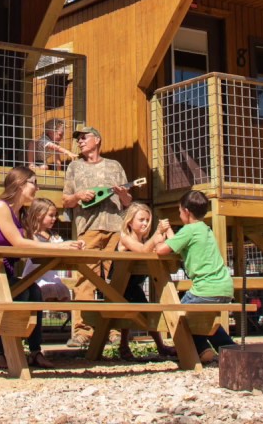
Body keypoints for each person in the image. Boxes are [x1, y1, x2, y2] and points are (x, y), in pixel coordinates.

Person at [0, 166, 84, 369]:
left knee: (34, 292)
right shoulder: (0, 207)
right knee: (21, 294)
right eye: (34, 183)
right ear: (21, 184)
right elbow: (19, 243)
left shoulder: (20, 215)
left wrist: (67, 246)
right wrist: (59, 246)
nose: (37, 188)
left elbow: (32, 246)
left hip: (4, 280)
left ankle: (35, 352)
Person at [61, 124, 133, 347]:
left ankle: (113, 330)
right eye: (78, 138)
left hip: (115, 228)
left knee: (114, 279)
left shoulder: (115, 166)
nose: (80, 141)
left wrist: (123, 194)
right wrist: (78, 196)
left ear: (97, 140)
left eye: (85, 137)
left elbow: (128, 202)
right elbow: (65, 201)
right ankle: (83, 331)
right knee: (85, 278)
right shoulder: (74, 167)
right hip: (88, 229)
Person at [154, 189, 235, 364]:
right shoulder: (204, 229)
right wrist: (169, 233)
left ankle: (201, 349)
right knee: (202, 319)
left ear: (186, 212)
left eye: (179, 211)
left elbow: (161, 250)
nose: (179, 214)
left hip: (205, 289)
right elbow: (179, 243)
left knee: (179, 316)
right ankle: (230, 349)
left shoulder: (189, 230)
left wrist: (159, 236)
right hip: (224, 286)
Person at [116, 203, 178, 359]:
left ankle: (128, 346)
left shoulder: (145, 241)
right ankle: (130, 346)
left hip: (133, 285)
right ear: (130, 222)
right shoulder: (125, 238)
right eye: (141, 219)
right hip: (118, 285)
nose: (145, 223)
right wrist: (156, 233)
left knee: (146, 309)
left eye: (147, 220)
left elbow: (166, 246)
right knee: (144, 311)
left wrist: (165, 232)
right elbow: (143, 251)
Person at [20, 197, 73, 302]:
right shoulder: (31, 235)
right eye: (51, 215)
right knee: (42, 293)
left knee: (63, 293)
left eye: (55, 215)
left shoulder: (53, 236)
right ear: (38, 215)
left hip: (51, 275)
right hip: (36, 276)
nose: (54, 218)